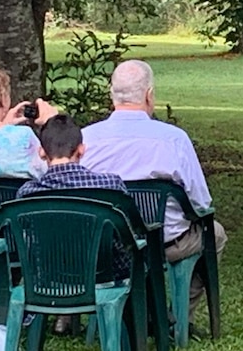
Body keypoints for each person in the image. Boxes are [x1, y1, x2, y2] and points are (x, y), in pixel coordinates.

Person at [80, 59, 226, 332]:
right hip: (165, 243)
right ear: (149, 96)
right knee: (214, 234)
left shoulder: (85, 139)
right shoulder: (174, 139)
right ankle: (179, 317)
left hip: (106, 245)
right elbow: (201, 202)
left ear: (112, 96)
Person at [16, 114, 128, 334]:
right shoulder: (110, 187)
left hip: (48, 278)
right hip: (107, 275)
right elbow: (128, 229)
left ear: (41, 152)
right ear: (82, 149)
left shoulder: (27, 194)